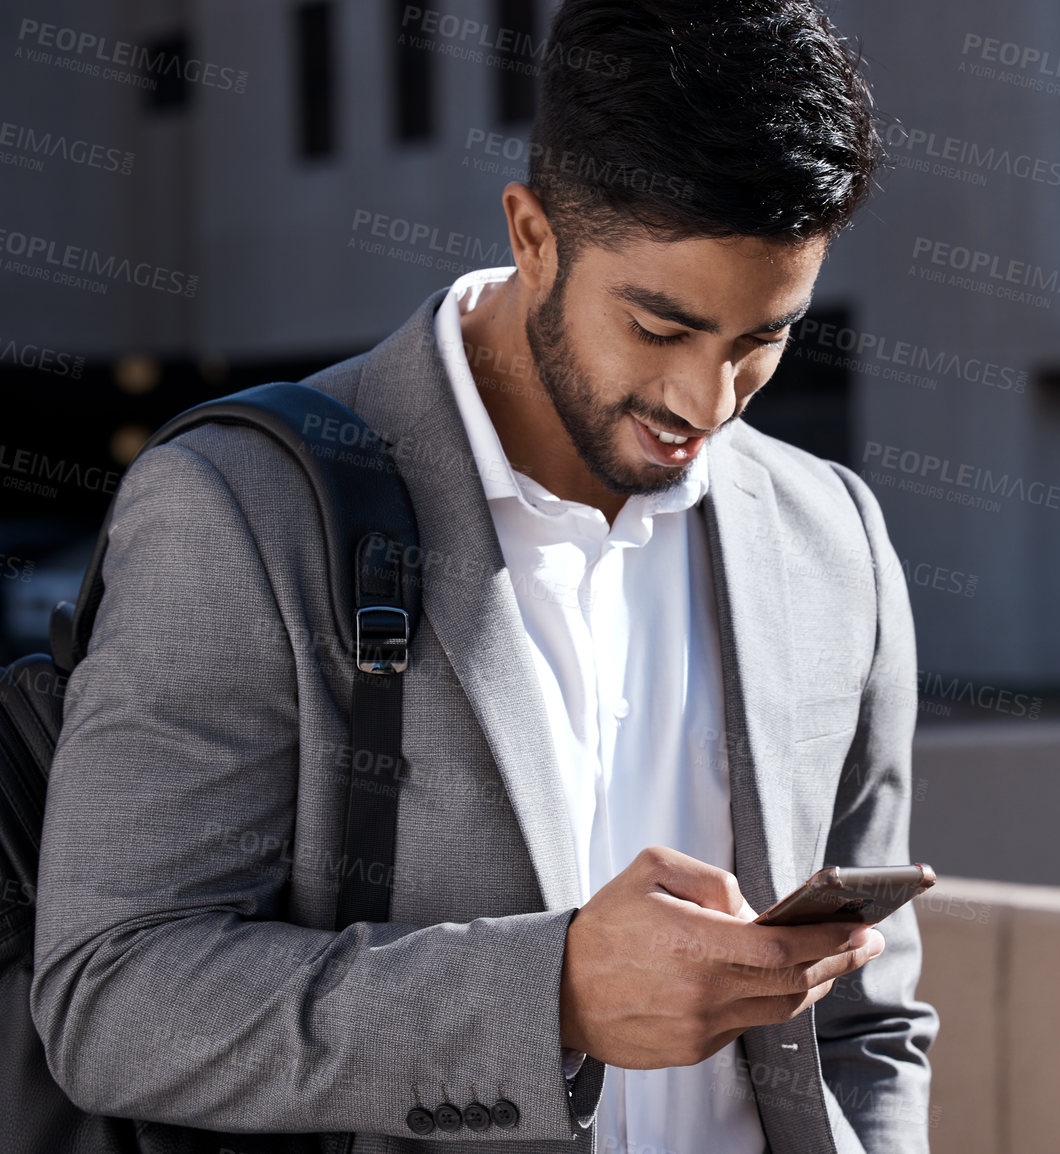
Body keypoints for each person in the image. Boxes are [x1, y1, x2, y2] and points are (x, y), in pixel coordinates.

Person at [29, 2, 936, 1151]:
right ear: (533, 235)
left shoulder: (833, 536)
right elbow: (113, 997)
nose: (707, 403)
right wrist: (547, 993)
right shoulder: (236, 511)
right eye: (659, 327)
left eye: (762, 337)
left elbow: (871, 1019)